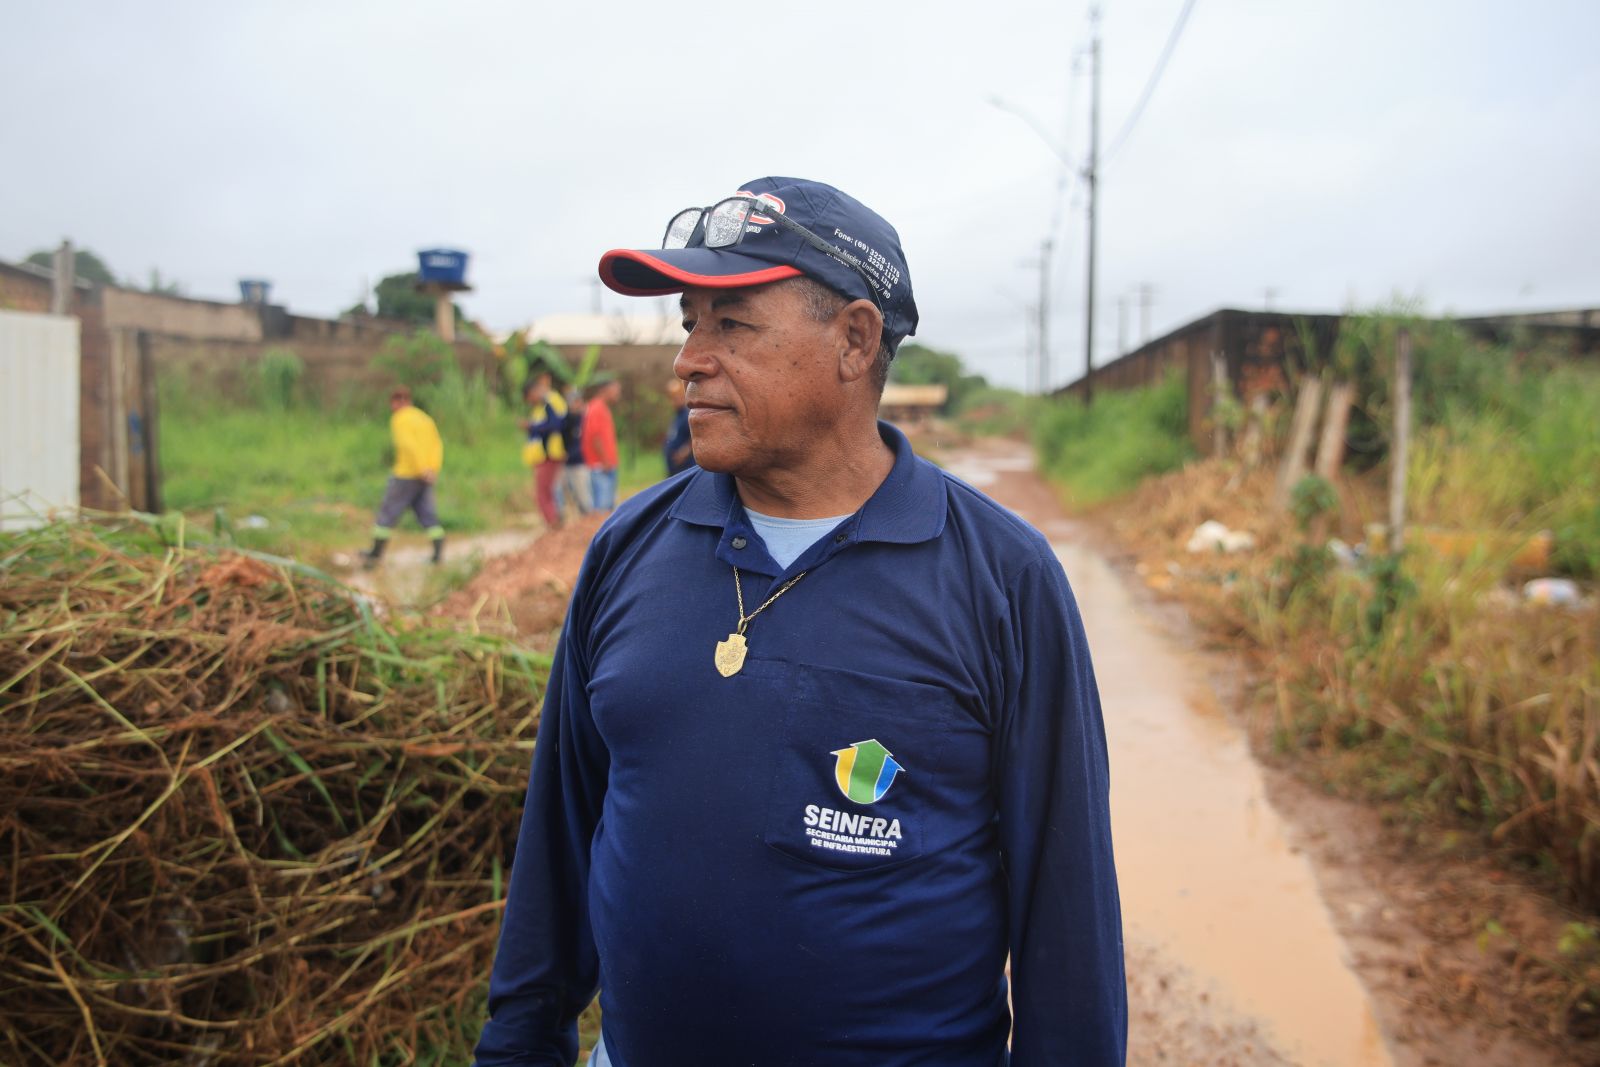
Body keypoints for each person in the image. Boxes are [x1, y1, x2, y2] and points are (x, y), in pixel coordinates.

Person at [474, 178, 1125, 1067]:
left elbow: (1067, 920)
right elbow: (557, 849)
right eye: (689, 323)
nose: (688, 360)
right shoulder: (628, 548)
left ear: (854, 340)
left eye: (731, 325)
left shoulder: (1002, 581)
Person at [361, 386, 444, 568]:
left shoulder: (400, 419)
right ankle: (438, 554)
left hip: (406, 474)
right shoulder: (424, 418)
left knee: (388, 512)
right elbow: (437, 445)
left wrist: (421, 469)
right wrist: (431, 469)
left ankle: (375, 554)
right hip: (426, 474)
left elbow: (408, 446)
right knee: (426, 513)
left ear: (397, 402)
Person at [521, 371, 569, 529]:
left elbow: (556, 425)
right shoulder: (542, 406)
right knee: (550, 490)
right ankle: (555, 522)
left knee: (544, 492)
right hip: (546, 455)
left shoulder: (550, 402)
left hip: (550, 455)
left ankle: (554, 524)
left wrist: (531, 427)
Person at [580, 377, 621, 512]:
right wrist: (605, 461)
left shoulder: (601, 407)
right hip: (602, 466)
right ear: (604, 389)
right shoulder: (597, 408)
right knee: (602, 510)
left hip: (606, 465)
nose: (618, 393)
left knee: (607, 509)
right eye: (615, 389)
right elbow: (594, 436)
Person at [558, 384, 592, 521]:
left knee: (584, 496)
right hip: (566, 462)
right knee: (567, 496)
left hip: (581, 462)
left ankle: (589, 521)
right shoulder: (566, 420)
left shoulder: (585, 419)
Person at [662, 378, 694, 476]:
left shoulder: (688, 415)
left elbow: (695, 437)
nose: (674, 401)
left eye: (676, 397)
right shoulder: (677, 415)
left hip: (685, 469)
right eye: (671, 398)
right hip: (674, 470)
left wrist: (683, 453)